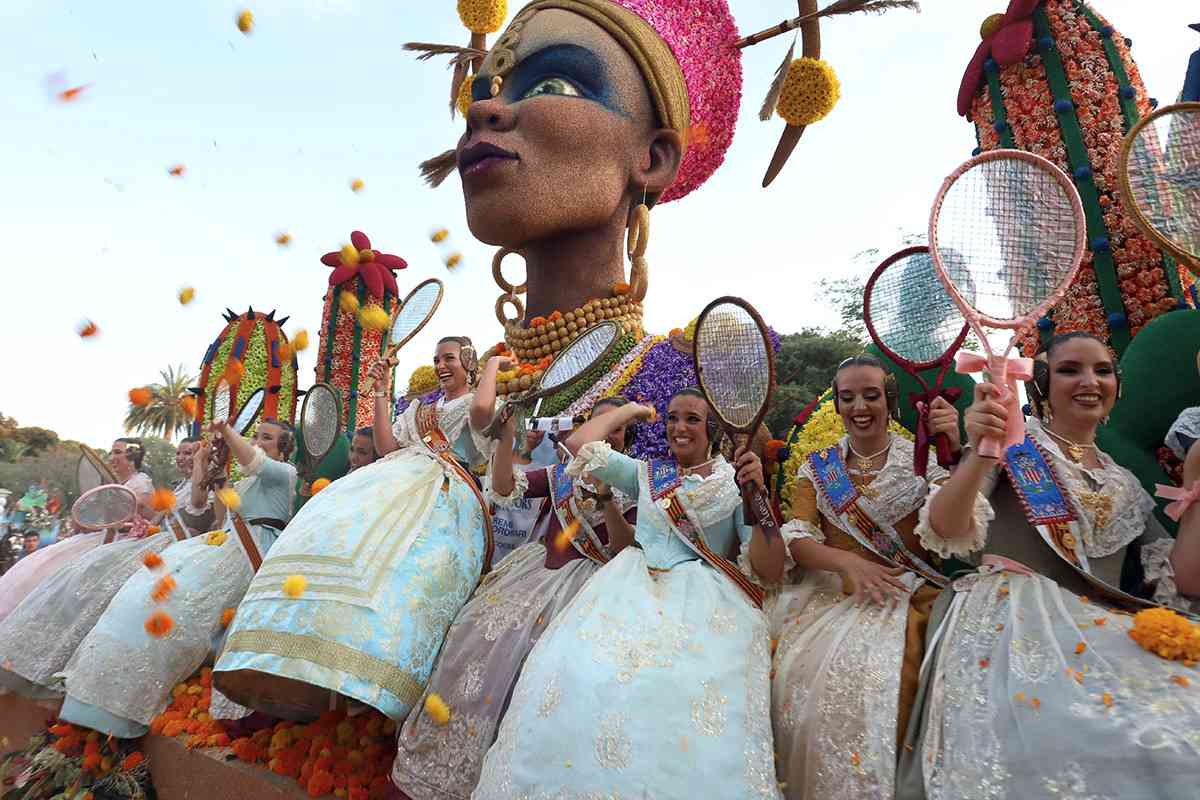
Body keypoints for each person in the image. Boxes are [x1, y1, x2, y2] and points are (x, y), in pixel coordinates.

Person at [897, 332, 1200, 800]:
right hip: (1015, 629)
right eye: (1069, 370)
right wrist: (982, 450)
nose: (1090, 381)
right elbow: (946, 528)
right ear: (1040, 383)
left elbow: (1185, 579)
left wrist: (1196, 487)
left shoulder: (1124, 481)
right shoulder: (1017, 444)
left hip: (1101, 634)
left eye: (1103, 370)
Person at [472, 389, 783, 797]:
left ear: (713, 429)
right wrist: (632, 410)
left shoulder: (735, 482)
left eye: (692, 419)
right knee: (577, 677)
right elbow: (579, 444)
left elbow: (769, 570)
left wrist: (756, 497)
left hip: (700, 610)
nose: (679, 427)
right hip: (625, 594)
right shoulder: (646, 474)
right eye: (672, 418)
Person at [213, 337, 496, 722]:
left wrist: (493, 365)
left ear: (469, 362)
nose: (441, 365)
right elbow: (387, 445)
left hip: (444, 499)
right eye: (436, 359)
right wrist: (381, 390)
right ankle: (309, 663)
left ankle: (380, 691)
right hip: (391, 484)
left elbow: (481, 412)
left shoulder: (480, 401)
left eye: (450, 358)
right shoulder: (420, 408)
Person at [389, 397, 637, 799]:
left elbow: (625, 550)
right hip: (535, 578)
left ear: (628, 436)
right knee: (470, 635)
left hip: (590, 592)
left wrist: (607, 497)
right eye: (600, 423)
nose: (608, 433)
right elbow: (506, 488)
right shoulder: (563, 473)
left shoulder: (636, 482)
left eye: (618, 427)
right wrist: (505, 439)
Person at [769, 355, 988, 799]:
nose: (859, 407)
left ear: (889, 400)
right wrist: (848, 563)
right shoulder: (819, 466)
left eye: (871, 395)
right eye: (847, 397)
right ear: (837, 404)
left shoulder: (923, 460)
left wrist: (955, 447)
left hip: (910, 598)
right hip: (831, 599)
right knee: (802, 684)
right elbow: (797, 538)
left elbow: (955, 525)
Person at [57, 417, 297, 737]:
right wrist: (218, 479)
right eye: (257, 436)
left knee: (178, 611)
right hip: (223, 547)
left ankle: (142, 699)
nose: (258, 441)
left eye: (267, 438)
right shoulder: (249, 482)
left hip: (250, 556)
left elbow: (253, 461)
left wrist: (225, 431)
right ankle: (104, 700)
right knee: (144, 594)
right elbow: (223, 516)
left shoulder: (284, 473)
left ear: (284, 448)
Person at [0, 437, 175, 698]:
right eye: (112, 452)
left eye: (118, 452)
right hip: (101, 539)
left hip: (124, 545)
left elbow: (122, 515)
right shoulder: (120, 485)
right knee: (43, 573)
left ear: (132, 457)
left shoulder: (141, 484)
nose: (112, 457)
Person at [171, 435, 215, 536]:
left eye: (187, 453)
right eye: (178, 453)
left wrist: (198, 461)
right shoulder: (182, 485)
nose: (180, 458)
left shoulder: (210, 481)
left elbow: (198, 504)